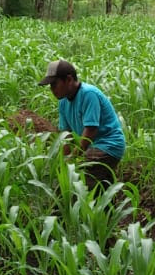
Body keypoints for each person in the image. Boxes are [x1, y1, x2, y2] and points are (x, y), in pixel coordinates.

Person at [37, 59, 126, 191]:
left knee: (81, 181)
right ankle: (108, 207)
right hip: (92, 146)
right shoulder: (63, 102)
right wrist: (63, 161)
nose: (52, 90)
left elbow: (90, 131)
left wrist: (73, 158)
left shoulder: (88, 94)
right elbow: (66, 135)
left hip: (108, 144)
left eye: (54, 84)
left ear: (69, 79)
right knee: (94, 185)